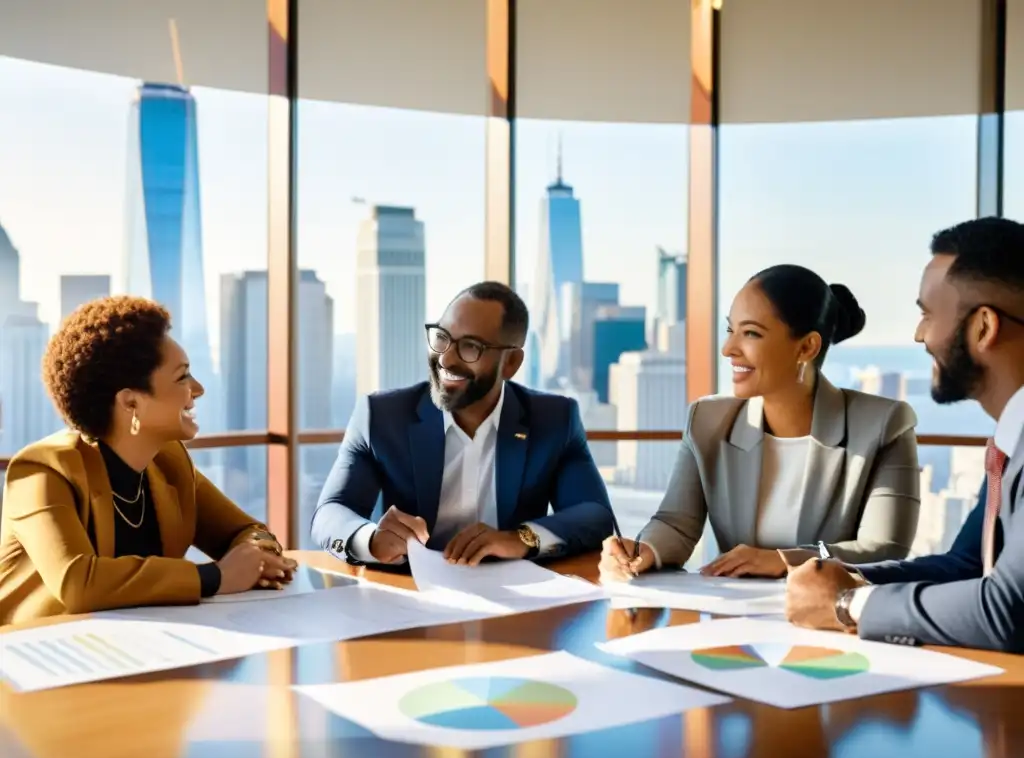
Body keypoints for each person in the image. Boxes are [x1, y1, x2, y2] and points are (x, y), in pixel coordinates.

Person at [784, 217, 1024, 652]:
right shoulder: (1012, 442)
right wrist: (847, 577)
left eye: (927, 315)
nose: (918, 335)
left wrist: (848, 605)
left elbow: (1008, 611)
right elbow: (968, 565)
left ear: (983, 327)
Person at [600, 265, 921, 582]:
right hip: (737, 616)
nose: (728, 349)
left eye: (751, 333)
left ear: (806, 347)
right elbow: (676, 524)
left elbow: (882, 548)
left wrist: (785, 560)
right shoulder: (707, 421)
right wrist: (643, 550)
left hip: (832, 617)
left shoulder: (882, 424)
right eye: (731, 330)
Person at [0, 297, 296, 625]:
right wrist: (215, 578)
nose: (198, 390)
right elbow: (78, 582)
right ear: (130, 402)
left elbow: (247, 530)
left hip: (139, 649)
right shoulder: (43, 471)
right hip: (39, 660)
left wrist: (257, 555)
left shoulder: (170, 462)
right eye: (182, 377)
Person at [312, 281, 614, 566]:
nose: (445, 360)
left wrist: (519, 539)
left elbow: (594, 515)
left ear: (510, 363)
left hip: (513, 599)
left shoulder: (553, 419)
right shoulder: (382, 416)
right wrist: (372, 539)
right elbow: (331, 512)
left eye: (470, 347)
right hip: (408, 591)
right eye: (442, 338)